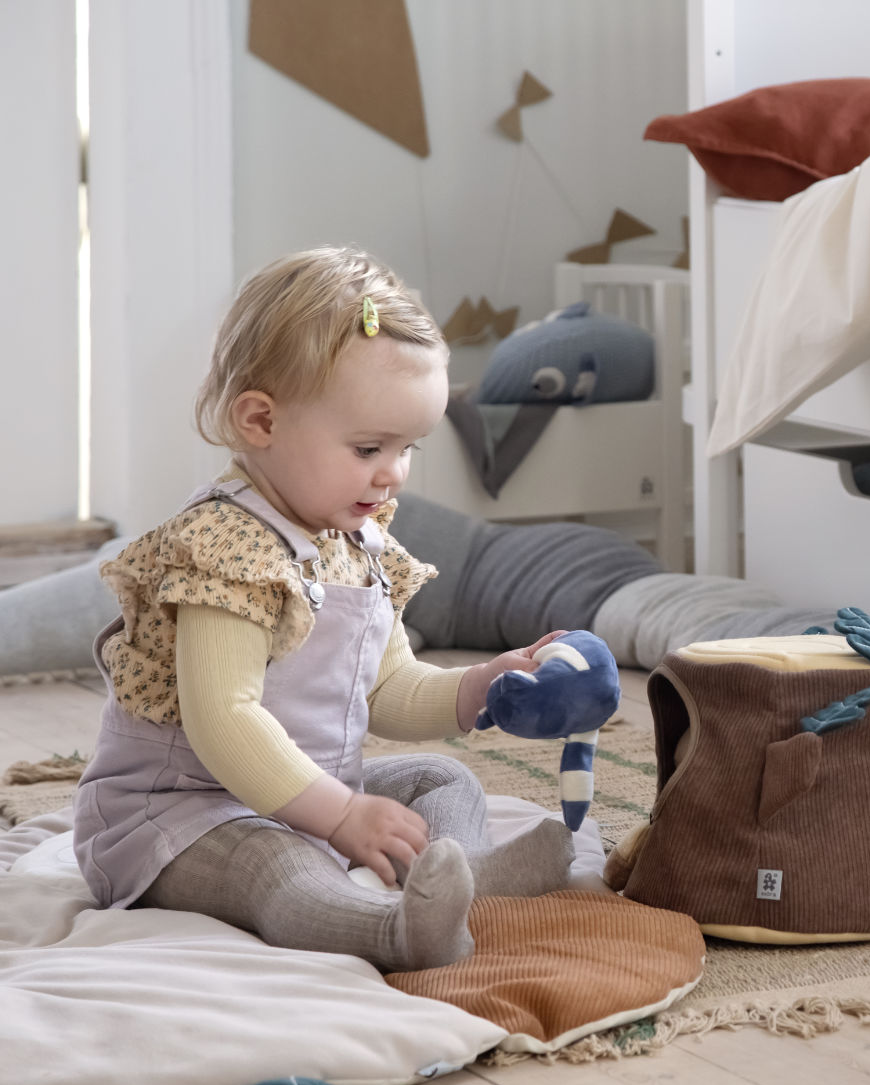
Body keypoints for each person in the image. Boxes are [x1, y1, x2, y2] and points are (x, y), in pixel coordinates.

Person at [73, 247, 575, 972]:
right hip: (181, 814)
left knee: (443, 779)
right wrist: (340, 816)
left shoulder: (357, 542)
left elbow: (388, 688)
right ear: (261, 421)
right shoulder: (226, 548)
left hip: (308, 797)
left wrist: (480, 686)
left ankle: (467, 880)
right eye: (369, 447)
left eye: (407, 448)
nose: (392, 473)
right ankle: (393, 933)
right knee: (275, 866)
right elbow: (223, 719)